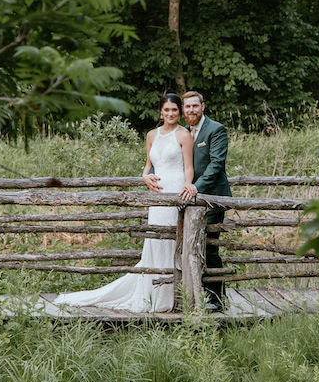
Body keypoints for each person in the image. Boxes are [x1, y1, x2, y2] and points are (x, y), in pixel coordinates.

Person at [43, 93, 194, 313]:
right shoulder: (151, 135)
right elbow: (148, 166)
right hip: (156, 193)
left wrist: (188, 185)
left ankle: (171, 293)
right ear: (160, 112)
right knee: (156, 239)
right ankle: (152, 291)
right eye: (166, 110)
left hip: (175, 190)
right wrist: (144, 177)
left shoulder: (184, 135)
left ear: (179, 111)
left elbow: (188, 166)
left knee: (172, 238)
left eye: (174, 110)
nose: (170, 114)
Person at [179, 90, 232, 312]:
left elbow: (216, 165)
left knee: (209, 247)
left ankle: (216, 299)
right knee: (188, 246)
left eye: (195, 106)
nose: (191, 110)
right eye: (187, 106)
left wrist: (195, 188)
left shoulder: (215, 130)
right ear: (183, 110)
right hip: (188, 198)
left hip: (211, 197)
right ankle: (190, 293)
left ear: (203, 106)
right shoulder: (183, 132)